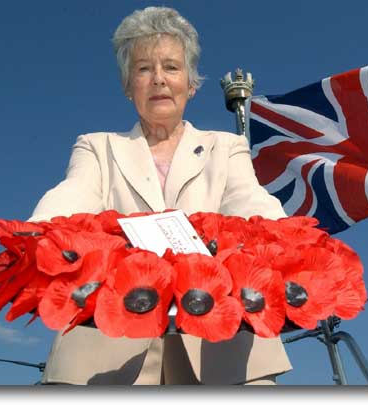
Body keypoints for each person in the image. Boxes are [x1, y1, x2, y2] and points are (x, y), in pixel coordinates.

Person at [29, 6, 292, 385]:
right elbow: (73, 194)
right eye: (143, 69)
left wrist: (285, 240)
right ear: (127, 85)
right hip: (105, 346)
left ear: (192, 83)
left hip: (220, 346)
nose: (158, 80)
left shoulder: (227, 146)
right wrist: (37, 235)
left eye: (171, 67)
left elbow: (249, 202)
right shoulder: (96, 147)